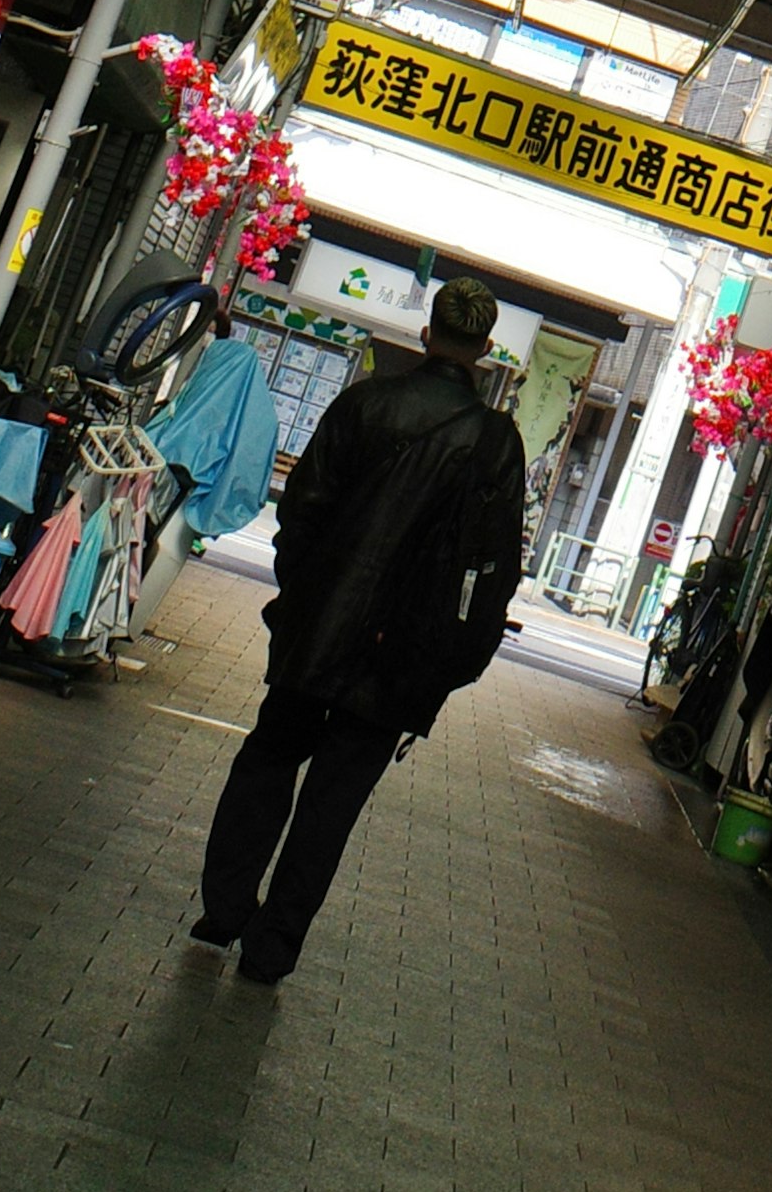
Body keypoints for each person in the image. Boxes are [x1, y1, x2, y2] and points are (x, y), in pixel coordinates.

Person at [187, 275, 525, 982]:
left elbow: (301, 510)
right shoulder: (496, 444)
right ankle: (272, 950)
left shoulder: (365, 404)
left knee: (268, 763)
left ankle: (223, 911)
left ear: (426, 333)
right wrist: (451, 659)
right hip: (401, 659)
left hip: (318, 632)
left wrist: (306, 599)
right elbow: (493, 566)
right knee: (332, 804)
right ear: (486, 350)